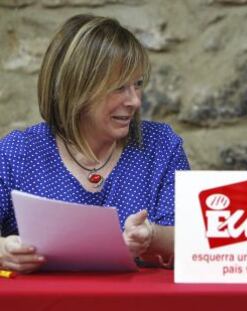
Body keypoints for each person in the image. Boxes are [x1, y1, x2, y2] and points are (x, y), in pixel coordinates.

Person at [0, 14, 190, 273]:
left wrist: (152, 236)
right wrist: (3, 251)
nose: (134, 101)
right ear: (76, 89)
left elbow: (191, 241)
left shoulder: (160, 146)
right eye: (119, 87)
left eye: (138, 85)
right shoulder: (18, 152)